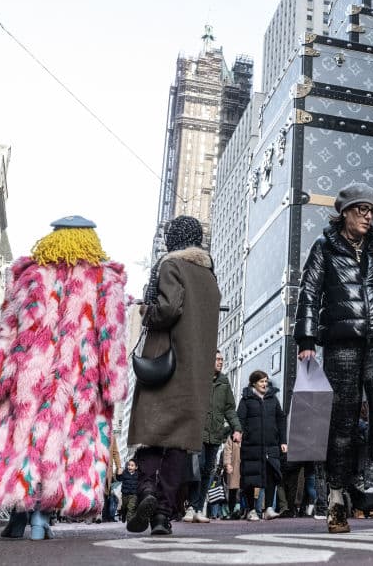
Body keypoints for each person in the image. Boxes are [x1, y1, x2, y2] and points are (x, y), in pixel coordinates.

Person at [0, 216, 128, 540]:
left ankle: (18, 516)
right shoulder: (105, 279)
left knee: (24, 441)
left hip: (29, 374)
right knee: (61, 445)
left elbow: (7, 330)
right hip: (79, 380)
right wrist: (112, 382)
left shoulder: (30, 274)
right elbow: (111, 337)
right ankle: (41, 519)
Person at [294, 182, 373, 535]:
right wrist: (306, 339)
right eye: (362, 210)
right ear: (345, 213)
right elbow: (309, 291)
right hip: (342, 344)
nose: (368, 217)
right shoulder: (324, 247)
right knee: (343, 425)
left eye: (372, 212)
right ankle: (336, 501)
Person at [126, 215, 222, 536]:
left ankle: (147, 492)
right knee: (179, 442)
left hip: (165, 361)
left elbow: (168, 309)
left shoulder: (170, 265)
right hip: (195, 371)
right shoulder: (209, 276)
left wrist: (145, 311)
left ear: (173, 240)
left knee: (151, 432)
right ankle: (162, 516)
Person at [185, 351, 242, 524]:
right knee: (198, 468)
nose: (220, 362)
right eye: (217, 359)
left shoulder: (224, 382)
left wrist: (237, 428)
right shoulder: (199, 380)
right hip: (198, 433)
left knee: (207, 472)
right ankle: (191, 506)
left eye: (222, 360)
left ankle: (198, 508)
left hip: (215, 434)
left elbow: (229, 409)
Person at [236, 370, 287, 521]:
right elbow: (240, 419)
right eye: (261, 381)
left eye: (266, 381)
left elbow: (281, 420)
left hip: (271, 445)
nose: (265, 384)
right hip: (251, 445)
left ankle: (269, 508)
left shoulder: (273, 399)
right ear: (254, 383)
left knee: (272, 475)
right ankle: (251, 509)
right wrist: (238, 433)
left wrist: (283, 441)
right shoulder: (246, 400)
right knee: (250, 478)